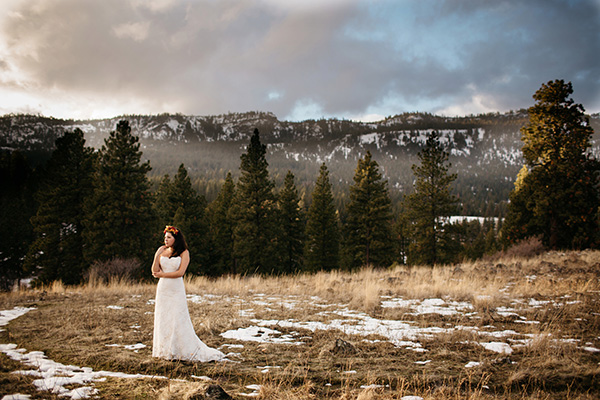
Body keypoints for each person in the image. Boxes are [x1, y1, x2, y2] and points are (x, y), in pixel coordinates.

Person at [152, 225, 225, 362]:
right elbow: (155, 271)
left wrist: (163, 274)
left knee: (177, 317)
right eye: (165, 237)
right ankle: (164, 349)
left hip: (176, 288)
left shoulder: (184, 252)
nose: (165, 240)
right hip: (163, 289)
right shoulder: (162, 251)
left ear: (176, 238)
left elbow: (180, 272)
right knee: (164, 317)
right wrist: (157, 256)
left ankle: (180, 349)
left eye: (169, 237)